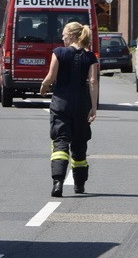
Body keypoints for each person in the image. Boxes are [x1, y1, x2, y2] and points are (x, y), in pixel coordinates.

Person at [39, 21, 99, 197]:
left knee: (60, 143)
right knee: (80, 145)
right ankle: (79, 185)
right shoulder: (90, 57)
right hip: (81, 106)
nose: (62, 37)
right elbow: (93, 82)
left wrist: (43, 86)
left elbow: (51, 77)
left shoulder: (59, 53)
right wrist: (93, 107)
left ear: (72, 35)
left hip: (61, 105)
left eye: (64, 34)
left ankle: (57, 183)